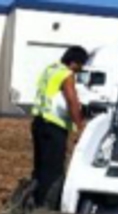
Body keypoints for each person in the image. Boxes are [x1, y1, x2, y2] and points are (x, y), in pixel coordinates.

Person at [31, 45, 89, 205]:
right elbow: (72, 101)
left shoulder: (50, 69)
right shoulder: (66, 74)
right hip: (54, 126)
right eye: (81, 65)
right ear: (75, 63)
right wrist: (79, 126)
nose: (81, 69)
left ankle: (34, 200)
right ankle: (46, 207)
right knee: (53, 170)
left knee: (40, 166)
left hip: (38, 122)